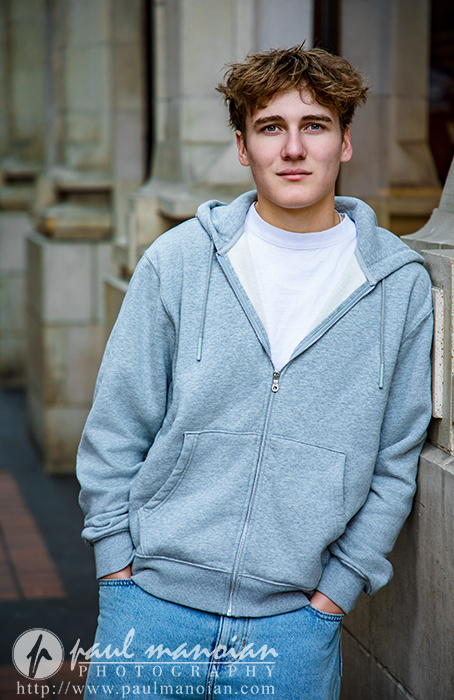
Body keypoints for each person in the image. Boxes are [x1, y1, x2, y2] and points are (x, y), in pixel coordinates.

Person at [77, 46, 433, 699]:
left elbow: (395, 459)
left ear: (345, 142)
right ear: (244, 148)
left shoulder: (398, 285)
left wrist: (334, 594)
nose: (293, 148)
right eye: (271, 128)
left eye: (315, 126)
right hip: (152, 603)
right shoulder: (180, 261)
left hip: (292, 626)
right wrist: (115, 566)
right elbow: (116, 424)